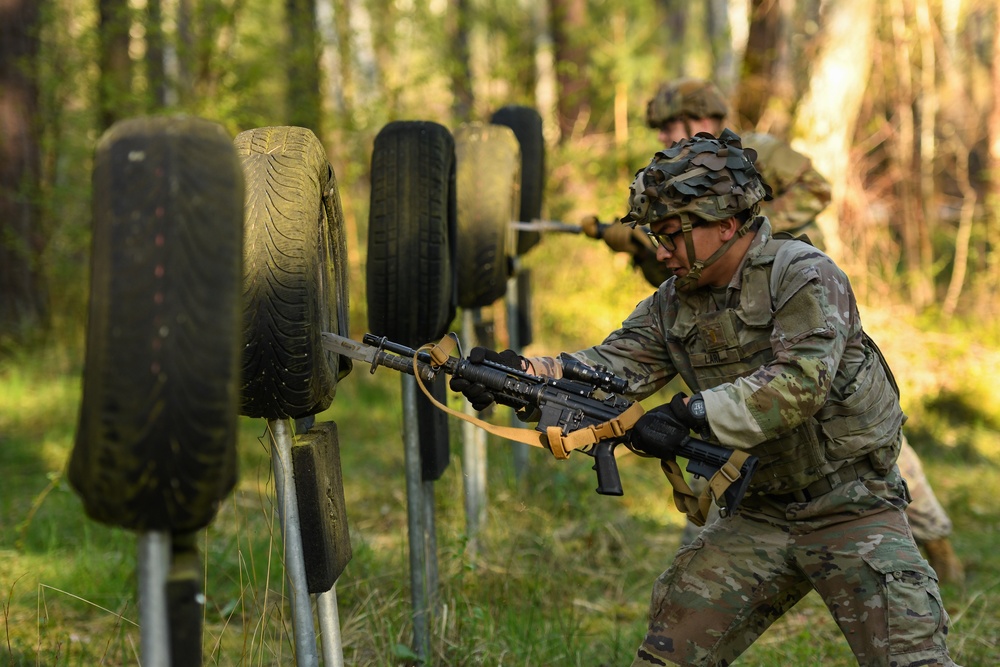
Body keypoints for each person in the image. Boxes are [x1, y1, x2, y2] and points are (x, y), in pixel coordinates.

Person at [453, 131, 959, 666]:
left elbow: (800, 384)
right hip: (758, 513)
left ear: (726, 221)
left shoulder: (803, 274)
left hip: (852, 505)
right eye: (654, 234)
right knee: (666, 659)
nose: (660, 250)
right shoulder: (672, 304)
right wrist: (524, 375)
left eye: (671, 232)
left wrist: (689, 414)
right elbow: (613, 366)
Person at [583, 77, 963, 585]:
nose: (674, 131)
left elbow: (816, 189)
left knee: (854, 426)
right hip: (732, 326)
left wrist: (746, 227)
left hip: (801, 306)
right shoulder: (672, 175)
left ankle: (932, 539)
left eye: (684, 121)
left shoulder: (757, 153)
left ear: (714, 118)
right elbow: (679, 277)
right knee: (735, 425)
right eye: (666, 125)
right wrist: (632, 241)